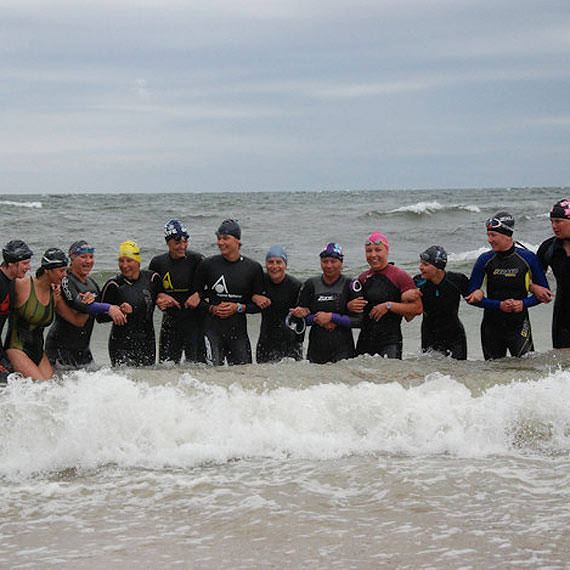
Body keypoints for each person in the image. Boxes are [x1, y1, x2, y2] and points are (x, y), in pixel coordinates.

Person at [466, 212, 550, 360]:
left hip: (519, 325)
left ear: (507, 236)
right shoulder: (484, 260)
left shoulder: (528, 258)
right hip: (491, 326)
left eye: (493, 235)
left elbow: (544, 294)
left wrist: (523, 303)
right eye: (488, 235)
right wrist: (499, 305)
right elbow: (471, 297)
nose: (489, 240)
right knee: (494, 373)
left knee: (527, 370)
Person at [6, 248, 87, 380]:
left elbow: (78, 321)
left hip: (38, 353)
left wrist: (86, 305)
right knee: (42, 387)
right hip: (16, 349)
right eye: (61, 271)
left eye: (66, 271)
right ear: (48, 270)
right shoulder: (22, 285)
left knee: (52, 390)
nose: (65, 275)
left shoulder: (55, 295)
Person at [193, 219, 266, 366]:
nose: (220, 242)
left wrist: (239, 307)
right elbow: (194, 300)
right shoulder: (207, 265)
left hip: (238, 333)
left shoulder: (253, 268)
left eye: (225, 238)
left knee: (243, 375)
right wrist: (211, 308)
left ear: (238, 240)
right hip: (211, 330)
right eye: (219, 238)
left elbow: (259, 306)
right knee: (211, 376)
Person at [45, 241, 126, 368]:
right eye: (83, 257)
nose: (88, 261)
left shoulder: (91, 282)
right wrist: (109, 307)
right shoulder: (66, 281)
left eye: (91, 257)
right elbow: (79, 306)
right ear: (72, 259)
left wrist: (120, 311)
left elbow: (99, 317)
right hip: (61, 349)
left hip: (83, 350)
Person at [348, 231, 422, 359]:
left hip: (390, 342)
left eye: (378, 250)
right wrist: (349, 306)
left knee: (389, 377)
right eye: (369, 251)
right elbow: (356, 312)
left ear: (387, 251)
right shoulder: (363, 278)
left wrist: (389, 306)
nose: (373, 255)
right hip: (365, 341)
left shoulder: (400, 276)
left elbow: (417, 309)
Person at [290, 242, 358, 364]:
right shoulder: (311, 284)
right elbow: (298, 321)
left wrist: (333, 318)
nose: (329, 265)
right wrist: (315, 319)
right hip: (316, 349)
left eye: (333, 261)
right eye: (325, 261)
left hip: (344, 349)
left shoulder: (350, 284)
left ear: (341, 263)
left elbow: (360, 321)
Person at [98, 241, 162, 366]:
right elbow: (100, 317)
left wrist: (163, 298)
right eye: (121, 261)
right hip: (121, 345)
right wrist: (117, 311)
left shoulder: (152, 278)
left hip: (148, 343)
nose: (124, 265)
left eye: (129, 261)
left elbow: (161, 295)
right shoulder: (113, 285)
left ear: (138, 262)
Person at [149, 220, 205, 363]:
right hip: (170, 324)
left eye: (185, 241)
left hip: (195, 322)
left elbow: (211, 286)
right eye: (177, 242)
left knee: (199, 368)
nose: (182, 246)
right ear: (167, 242)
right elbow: (149, 290)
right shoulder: (158, 263)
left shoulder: (197, 260)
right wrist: (158, 298)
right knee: (166, 368)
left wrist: (199, 294)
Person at [411, 245, 469, 359]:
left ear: (439, 268)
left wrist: (479, 293)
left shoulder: (457, 280)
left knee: (459, 373)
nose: (420, 267)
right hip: (429, 336)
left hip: (455, 337)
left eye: (425, 264)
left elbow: (474, 299)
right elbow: (409, 308)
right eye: (421, 263)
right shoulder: (418, 281)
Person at [255, 246, 304, 363]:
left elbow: (304, 316)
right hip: (265, 342)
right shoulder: (260, 282)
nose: (274, 266)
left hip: (290, 343)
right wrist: (255, 297)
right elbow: (247, 297)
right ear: (266, 265)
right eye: (270, 262)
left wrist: (303, 311)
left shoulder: (295, 286)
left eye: (279, 262)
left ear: (285, 265)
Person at [536, 199, 570, 348]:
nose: (554, 226)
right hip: (562, 315)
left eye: (558, 221)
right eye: (551, 221)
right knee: (563, 364)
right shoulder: (548, 248)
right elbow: (533, 279)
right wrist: (536, 288)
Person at [0, 240, 33, 381]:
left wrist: (54, 286)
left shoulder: (14, 281)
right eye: (25, 264)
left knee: (14, 383)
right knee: (8, 383)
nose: (28, 267)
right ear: (11, 263)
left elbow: (38, 283)